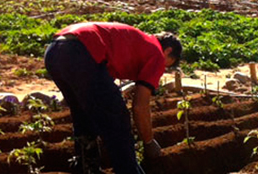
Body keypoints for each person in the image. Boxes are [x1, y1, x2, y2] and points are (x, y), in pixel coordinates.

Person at [43, 22, 182, 174]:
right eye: (169, 64)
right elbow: (140, 106)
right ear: (168, 50)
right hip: (81, 51)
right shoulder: (156, 53)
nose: (165, 69)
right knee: (118, 120)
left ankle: (87, 168)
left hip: (54, 51)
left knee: (83, 115)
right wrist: (148, 142)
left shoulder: (138, 41)